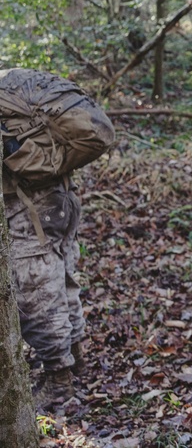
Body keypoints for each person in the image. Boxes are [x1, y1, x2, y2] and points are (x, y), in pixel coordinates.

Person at [2, 69, 114, 411]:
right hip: (62, 198)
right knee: (63, 282)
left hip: (31, 209)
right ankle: (76, 357)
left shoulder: (10, 99)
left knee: (36, 293)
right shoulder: (18, 85)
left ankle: (58, 381)